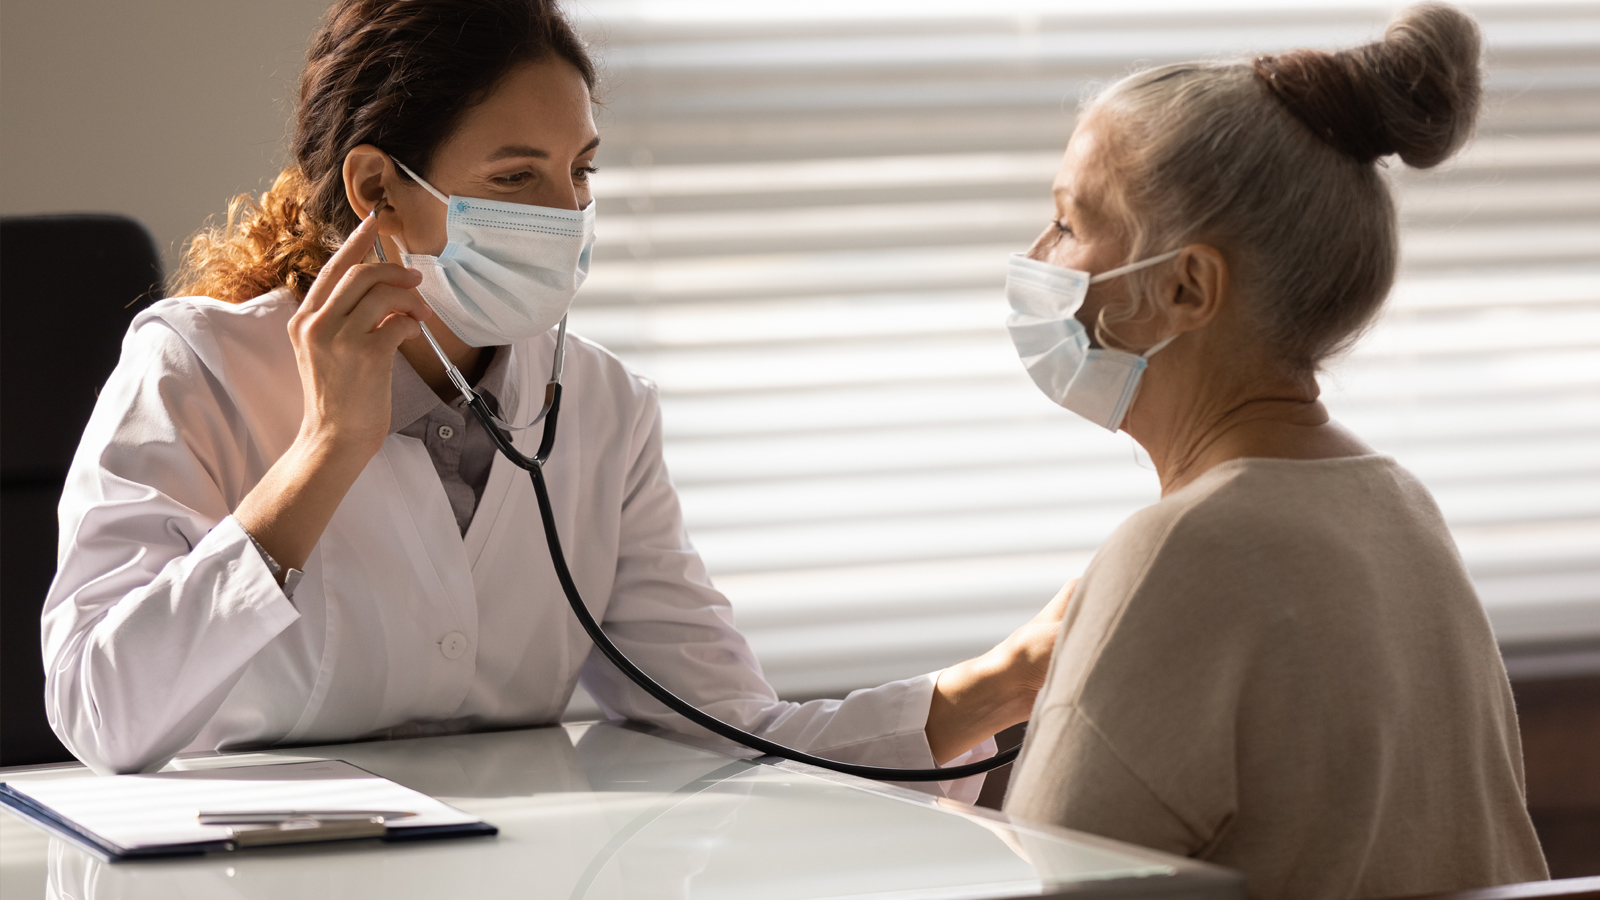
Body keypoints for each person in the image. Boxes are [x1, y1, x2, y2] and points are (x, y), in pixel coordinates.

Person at [41, 0, 1065, 798]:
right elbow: (100, 710)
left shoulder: (602, 406)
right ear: (377, 190)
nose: (568, 215)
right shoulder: (196, 370)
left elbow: (726, 728)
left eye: (580, 173)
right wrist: (324, 453)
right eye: (518, 176)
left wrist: (1011, 675)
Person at [997, 3, 1548, 896]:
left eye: (1068, 225)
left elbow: (1056, 884)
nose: (1036, 256)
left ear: (1186, 286)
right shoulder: (1396, 505)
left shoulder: (1185, 549)